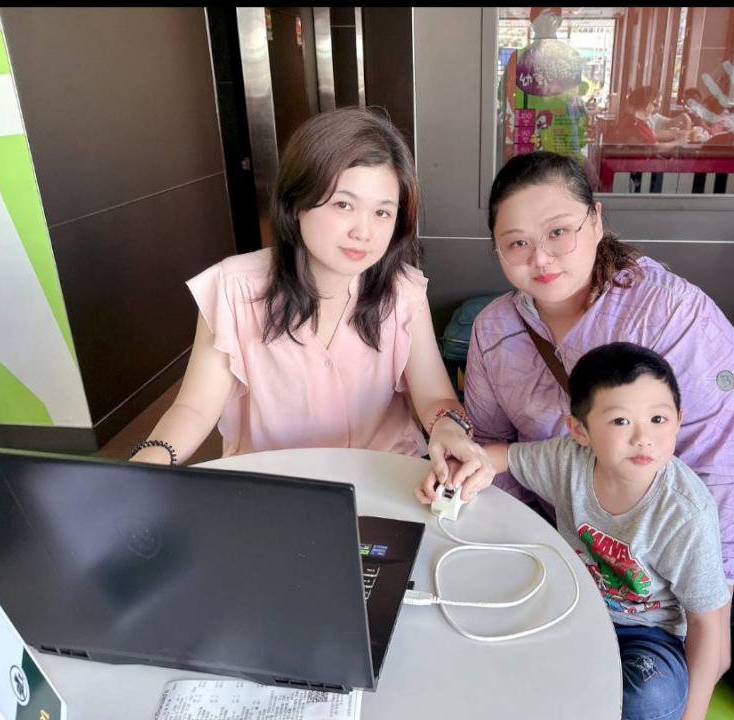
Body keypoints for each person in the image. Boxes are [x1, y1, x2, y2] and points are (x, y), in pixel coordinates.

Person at [457, 150, 734, 720]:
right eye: (517, 243)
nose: (542, 258)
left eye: (559, 231)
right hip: (582, 534)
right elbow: (497, 457)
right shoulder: (495, 331)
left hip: (708, 537)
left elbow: (715, 478)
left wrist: (705, 616)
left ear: (596, 221)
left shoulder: (673, 314)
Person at [130, 107, 493, 494]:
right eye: (343, 205)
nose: (364, 232)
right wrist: (149, 461)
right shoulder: (233, 288)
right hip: (273, 490)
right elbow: (195, 408)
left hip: (384, 484)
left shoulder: (402, 290)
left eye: (382, 212)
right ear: (296, 202)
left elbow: (434, 396)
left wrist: (449, 428)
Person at [417, 342, 730, 720]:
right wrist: (457, 473)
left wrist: (692, 719)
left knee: (650, 696)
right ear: (581, 430)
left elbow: (706, 625)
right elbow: (503, 457)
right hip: (570, 608)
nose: (643, 437)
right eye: (620, 421)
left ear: (679, 420)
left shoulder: (686, 513)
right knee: (481, 646)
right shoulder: (569, 460)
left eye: (658, 419)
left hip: (648, 635)